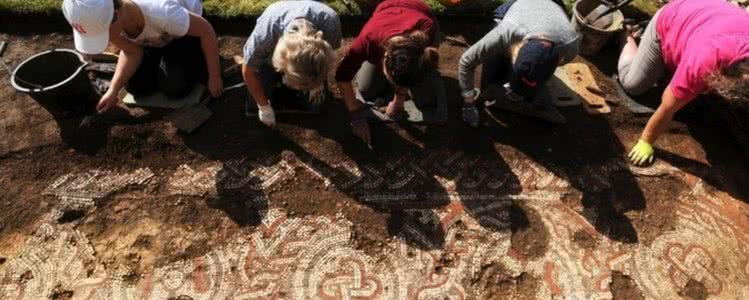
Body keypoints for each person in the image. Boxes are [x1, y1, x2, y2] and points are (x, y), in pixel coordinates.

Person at [618, 0, 749, 172]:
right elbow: (668, 107)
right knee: (633, 84)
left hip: (710, 20)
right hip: (673, 18)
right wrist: (646, 140)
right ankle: (626, 33)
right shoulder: (706, 60)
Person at [62, 0, 223, 112]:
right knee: (136, 87)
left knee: (175, 87)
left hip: (186, 33)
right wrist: (113, 90)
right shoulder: (109, 18)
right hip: (155, 38)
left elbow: (206, 31)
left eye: (104, 34)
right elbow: (132, 51)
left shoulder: (162, 12)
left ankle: (194, 60)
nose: (107, 39)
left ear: (116, 16)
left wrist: (214, 76)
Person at [335, 0, 446, 147]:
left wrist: (398, 100)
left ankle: (420, 80)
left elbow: (408, 69)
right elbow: (342, 76)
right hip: (387, 14)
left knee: (426, 98)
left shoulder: (426, 31)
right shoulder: (367, 40)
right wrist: (356, 117)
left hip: (419, 14)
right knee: (365, 89)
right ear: (384, 59)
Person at [458, 0, 580, 127]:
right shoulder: (506, 32)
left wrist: (533, 76)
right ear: (515, 52)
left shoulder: (570, 47)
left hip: (553, 7)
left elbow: (541, 66)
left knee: (528, 78)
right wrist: (468, 104)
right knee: (492, 73)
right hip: (520, 6)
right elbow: (466, 61)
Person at [242, 0, 341, 127]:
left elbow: (325, 59)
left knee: (317, 105)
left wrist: (317, 84)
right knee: (254, 104)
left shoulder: (330, 22)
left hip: (301, 60)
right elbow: (248, 70)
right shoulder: (265, 34)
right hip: (267, 58)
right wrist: (264, 107)